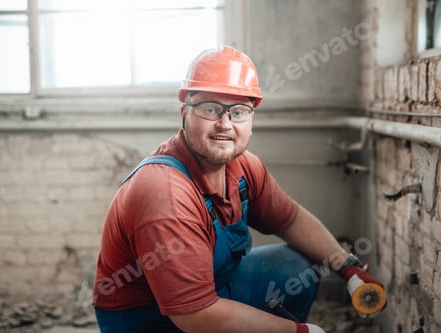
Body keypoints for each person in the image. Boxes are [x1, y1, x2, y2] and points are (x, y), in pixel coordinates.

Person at [92, 45, 385, 333]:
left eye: (239, 111)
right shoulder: (164, 193)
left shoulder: (243, 166)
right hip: (150, 319)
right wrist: (298, 331)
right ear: (184, 112)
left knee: (295, 266)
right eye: (210, 109)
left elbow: (290, 219)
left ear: (251, 118)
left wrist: (347, 268)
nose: (225, 124)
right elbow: (195, 316)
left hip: (210, 291)